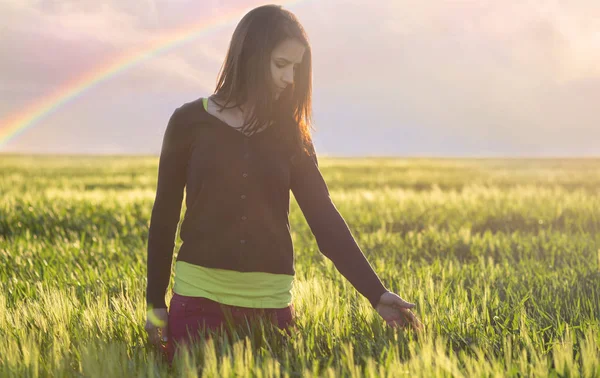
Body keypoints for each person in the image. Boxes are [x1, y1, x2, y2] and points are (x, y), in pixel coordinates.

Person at [144, 4, 423, 365]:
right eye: (281, 65)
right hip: (197, 305)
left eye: (297, 68)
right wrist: (154, 303)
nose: (290, 78)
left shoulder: (292, 136)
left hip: (270, 312)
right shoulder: (187, 123)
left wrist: (376, 293)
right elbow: (163, 218)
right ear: (250, 57)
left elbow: (325, 221)